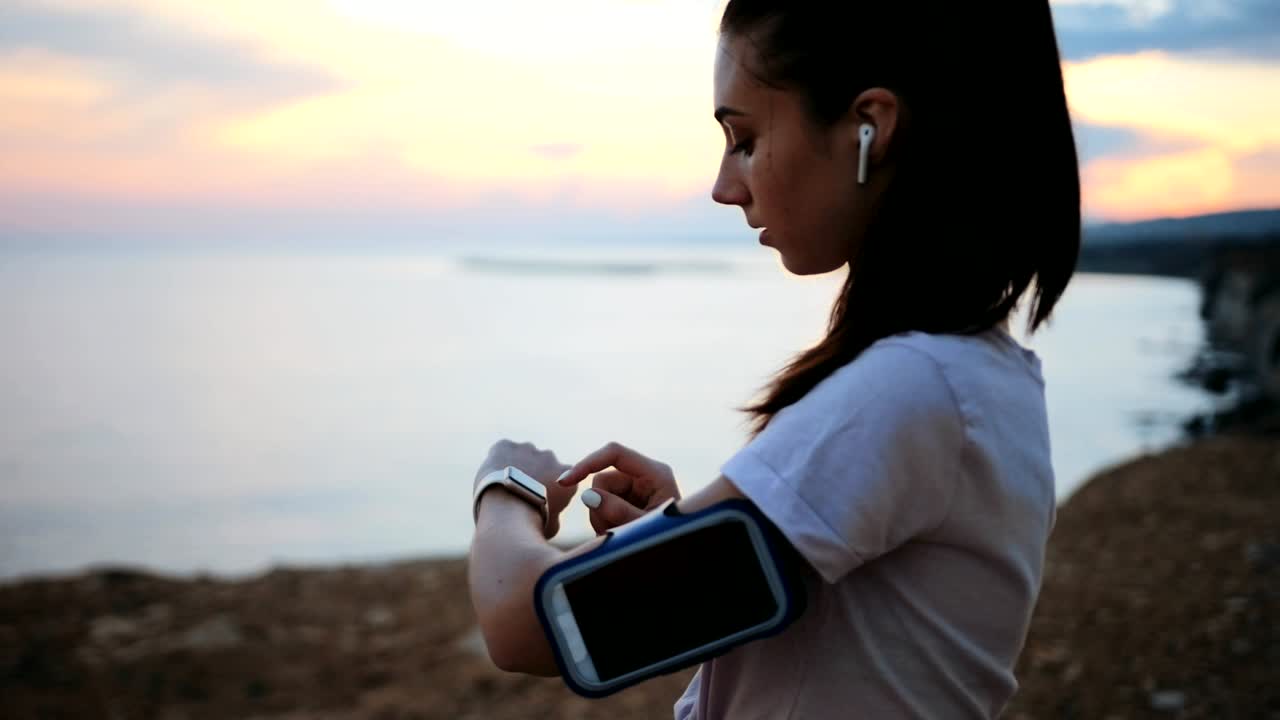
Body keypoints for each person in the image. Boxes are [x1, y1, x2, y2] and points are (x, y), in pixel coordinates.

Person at [468, 0, 1079, 716]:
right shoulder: (978, 376)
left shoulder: (915, 389)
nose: (726, 186)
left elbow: (534, 627)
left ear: (869, 127)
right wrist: (679, 530)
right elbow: (844, 642)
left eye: (745, 138)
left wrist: (506, 490)